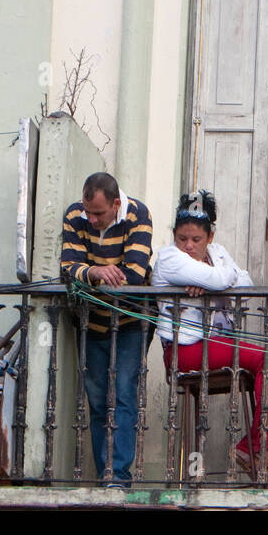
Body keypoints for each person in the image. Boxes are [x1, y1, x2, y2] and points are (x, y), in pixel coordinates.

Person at [153, 190, 268, 478]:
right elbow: (225, 278)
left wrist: (212, 280)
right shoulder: (169, 258)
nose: (188, 246)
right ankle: (265, 446)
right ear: (174, 236)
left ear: (210, 237)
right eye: (182, 239)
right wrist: (215, 279)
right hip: (187, 350)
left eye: (196, 240)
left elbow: (247, 282)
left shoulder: (218, 254)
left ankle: (250, 445)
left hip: (216, 344)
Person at [61, 172, 153, 485]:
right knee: (99, 402)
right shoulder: (75, 216)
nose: (92, 219)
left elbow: (135, 276)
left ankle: (119, 478)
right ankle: (106, 476)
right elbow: (67, 269)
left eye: (99, 213)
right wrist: (98, 271)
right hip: (91, 322)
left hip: (131, 322)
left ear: (116, 204)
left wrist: (88, 276)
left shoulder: (138, 215)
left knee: (125, 396)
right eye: (89, 212)